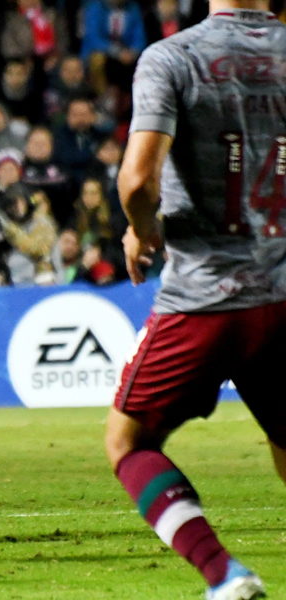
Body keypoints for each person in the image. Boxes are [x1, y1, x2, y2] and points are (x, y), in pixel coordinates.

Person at [105, 2, 284, 598]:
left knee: (128, 442)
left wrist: (143, 227)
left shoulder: (174, 57)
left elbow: (136, 182)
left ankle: (224, 574)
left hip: (205, 298)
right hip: (283, 295)